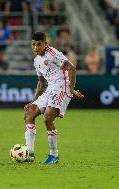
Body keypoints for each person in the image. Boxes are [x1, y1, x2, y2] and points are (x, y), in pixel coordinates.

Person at [24, 32, 84, 164]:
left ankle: (53, 154)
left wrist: (72, 89)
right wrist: (33, 101)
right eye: (33, 44)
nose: (35, 47)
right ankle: (29, 153)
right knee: (29, 113)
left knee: (48, 118)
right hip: (51, 88)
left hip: (62, 86)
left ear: (46, 44)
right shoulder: (36, 61)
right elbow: (41, 83)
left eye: (39, 44)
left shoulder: (52, 53)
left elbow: (71, 68)